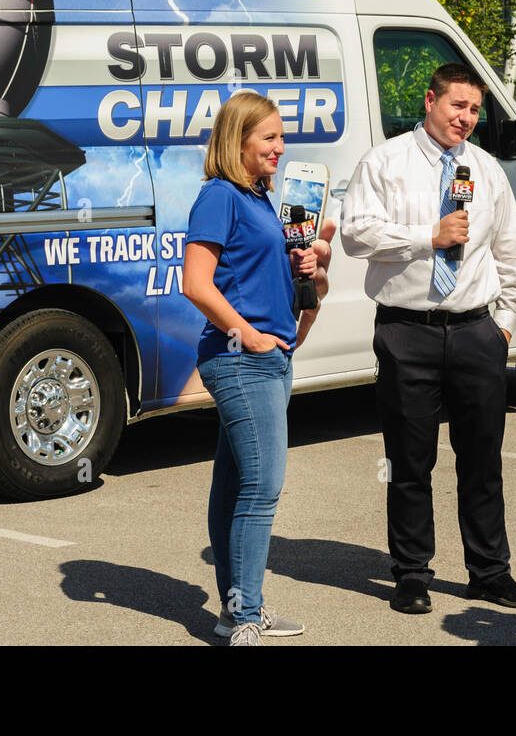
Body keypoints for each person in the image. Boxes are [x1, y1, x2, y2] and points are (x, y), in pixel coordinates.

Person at [341, 62, 516, 615]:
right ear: (430, 101)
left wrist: (504, 323)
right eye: (457, 106)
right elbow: (356, 234)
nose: (466, 119)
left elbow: (511, 250)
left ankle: (490, 572)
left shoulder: (487, 169)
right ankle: (411, 574)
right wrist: (428, 235)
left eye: (474, 110)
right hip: (408, 333)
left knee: (482, 460)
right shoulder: (386, 162)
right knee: (409, 461)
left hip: (476, 331)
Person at [182, 89, 331, 646]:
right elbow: (195, 283)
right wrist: (247, 334)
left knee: (235, 486)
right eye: (268, 137)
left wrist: (311, 268)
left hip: (270, 359)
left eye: (281, 136)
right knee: (263, 488)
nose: (280, 146)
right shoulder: (219, 196)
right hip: (242, 361)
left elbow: (289, 291)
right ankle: (245, 616)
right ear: (236, 140)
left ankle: (235, 609)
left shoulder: (263, 199)